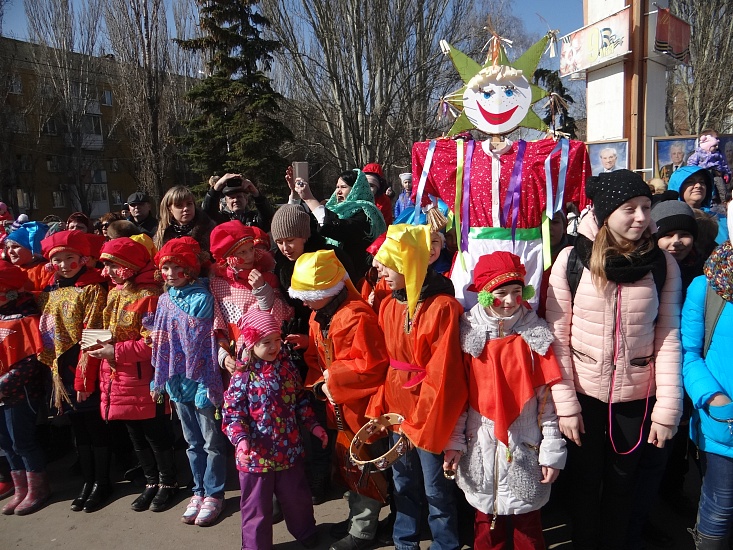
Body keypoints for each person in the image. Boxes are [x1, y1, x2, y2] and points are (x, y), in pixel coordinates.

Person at [544, 170, 683, 549]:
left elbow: (669, 335)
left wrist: (667, 407)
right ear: (606, 214)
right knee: (583, 489)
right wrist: (566, 406)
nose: (641, 217)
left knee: (624, 488)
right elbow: (556, 338)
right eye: (630, 209)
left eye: (644, 207)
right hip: (584, 397)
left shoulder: (661, 264)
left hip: (636, 398)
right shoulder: (572, 260)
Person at [445, 251, 566, 549]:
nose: (510, 301)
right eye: (501, 294)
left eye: (517, 292)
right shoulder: (467, 334)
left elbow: (547, 404)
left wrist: (551, 451)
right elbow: (459, 397)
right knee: (486, 524)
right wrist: (454, 443)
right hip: (481, 444)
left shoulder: (535, 335)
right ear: (485, 294)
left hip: (525, 444)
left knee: (528, 527)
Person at [368, 223, 468, 550]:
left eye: (389, 263)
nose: (379, 269)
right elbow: (387, 364)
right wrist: (383, 407)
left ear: (408, 264)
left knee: (435, 487)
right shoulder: (389, 304)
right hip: (398, 407)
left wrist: (422, 421)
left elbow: (442, 372)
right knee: (403, 481)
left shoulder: (443, 307)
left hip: (428, 412)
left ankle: (445, 544)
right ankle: (405, 541)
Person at [290, 250, 390, 550]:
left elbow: (370, 364)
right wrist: (310, 346)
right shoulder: (320, 314)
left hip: (361, 407)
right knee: (349, 464)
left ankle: (362, 532)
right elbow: (321, 354)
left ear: (327, 291)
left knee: (364, 465)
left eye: (308, 294)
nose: (302, 301)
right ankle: (357, 520)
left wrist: (328, 381)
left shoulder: (356, 316)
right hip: (340, 405)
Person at [270, 204, 355, 503]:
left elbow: (346, 294)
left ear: (305, 235)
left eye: (291, 240)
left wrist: (312, 336)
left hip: (326, 342)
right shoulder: (280, 263)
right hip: (298, 343)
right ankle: (307, 474)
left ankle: (323, 475)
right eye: (280, 241)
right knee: (302, 414)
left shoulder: (328, 258)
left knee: (323, 414)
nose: (285, 247)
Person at [222, 309, 327, 550]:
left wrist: (314, 426)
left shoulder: (287, 368)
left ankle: (306, 532)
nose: (274, 347)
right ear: (250, 344)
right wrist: (241, 441)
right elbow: (233, 414)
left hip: (288, 450)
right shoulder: (242, 376)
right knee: (255, 506)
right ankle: (255, 545)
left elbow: (300, 400)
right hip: (255, 457)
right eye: (266, 342)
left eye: (277, 340)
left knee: (297, 498)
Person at [87, 237, 178, 513]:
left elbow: (154, 342)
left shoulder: (149, 295)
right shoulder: (115, 292)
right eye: (107, 266)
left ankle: (168, 483)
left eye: (115, 266)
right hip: (118, 377)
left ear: (130, 266)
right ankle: (150, 482)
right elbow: (108, 327)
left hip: (143, 377)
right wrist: (96, 344)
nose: (109, 272)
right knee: (135, 435)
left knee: (155, 434)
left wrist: (115, 351)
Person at [146, 237, 227, 527]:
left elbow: (199, 342)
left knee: (211, 442)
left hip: (202, 380)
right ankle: (198, 490)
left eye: (175, 267)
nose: (168, 273)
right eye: (165, 267)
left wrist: (206, 382)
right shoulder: (164, 299)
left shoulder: (202, 298)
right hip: (177, 382)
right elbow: (165, 340)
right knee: (192, 442)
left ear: (190, 270)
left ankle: (215, 494)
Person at [37, 230, 110, 513]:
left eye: (71, 258)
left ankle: (102, 482)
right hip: (60, 370)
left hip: (83, 366)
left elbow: (95, 334)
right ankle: (88, 480)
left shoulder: (92, 288)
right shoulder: (50, 289)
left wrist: (85, 375)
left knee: (94, 426)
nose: (65, 264)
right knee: (77, 429)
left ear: (83, 258)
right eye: (58, 259)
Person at [681, 242, 733, 549]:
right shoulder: (706, 288)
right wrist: (716, 401)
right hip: (724, 428)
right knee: (719, 512)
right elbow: (689, 354)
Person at [209, 221, 293, 377]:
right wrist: (223, 355)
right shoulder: (218, 285)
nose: (249, 256)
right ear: (228, 257)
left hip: (265, 359)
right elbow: (218, 325)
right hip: (236, 363)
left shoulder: (267, 278)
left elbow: (278, 318)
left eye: (251, 249)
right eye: (242, 252)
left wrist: (263, 290)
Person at [0, 263, 48, 515]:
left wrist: (4, 384)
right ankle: (20, 489)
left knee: (22, 441)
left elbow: (32, 360)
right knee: (5, 443)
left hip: (19, 393)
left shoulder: (25, 316)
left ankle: (37, 488)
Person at [290, 169, 387, 282]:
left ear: (356, 189)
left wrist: (309, 199)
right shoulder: (332, 210)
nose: (338, 191)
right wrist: (295, 196)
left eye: (343, 187)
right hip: (328, 276)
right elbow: (304, 225)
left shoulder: (366, 213)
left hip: (355, 279)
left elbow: (338, 228)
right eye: (337, 187)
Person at [668, 166, 728, 244]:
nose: (698, 185)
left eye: (702, 182)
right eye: (690, 182)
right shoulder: (668, 220)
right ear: (677, 187)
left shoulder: (722, 220)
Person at [202, 173, 274, 231]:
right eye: (231, 198)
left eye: (239, 197)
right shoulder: (221, 220)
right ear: (226, 202)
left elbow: (268, 216)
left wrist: (256, 194)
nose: (236, 200)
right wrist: (216, 188)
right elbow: (207, 212)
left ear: (246, 200)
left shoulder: (254, 219)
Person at [154, 185, 216, 252]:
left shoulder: (208, 228)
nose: (186, 208)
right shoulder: (162, 234)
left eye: (189, 204)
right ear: (169, 210)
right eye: (179, 205)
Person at [4, 222, 52, 292]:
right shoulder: (10, 270)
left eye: (15, 247)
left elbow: (50, 296)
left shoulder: (46, 270)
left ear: (32, 249)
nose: (10, 251)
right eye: (8, 247)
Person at [687, 130, 732, 204]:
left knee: (722, 188)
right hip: (705, 175)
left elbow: (724, 164)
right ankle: (710, 201)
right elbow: (691, 165)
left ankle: (724, 201)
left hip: (717, 174)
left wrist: (727, 173)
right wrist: (696, 173)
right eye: (716, 139)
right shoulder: (698, 154)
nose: (718, 141)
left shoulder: (718, 154)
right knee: (708, 188)